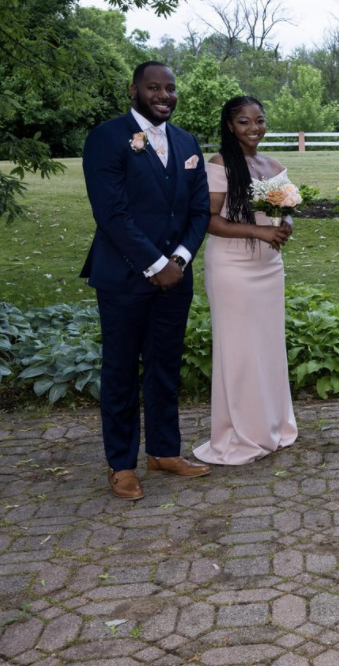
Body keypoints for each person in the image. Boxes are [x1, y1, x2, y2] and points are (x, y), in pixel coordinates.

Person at [81, 61, 212, 500]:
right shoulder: (107, 138)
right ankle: (121, 464)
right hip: (124, 276)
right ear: (134, 90)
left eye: (170, 88)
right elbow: (111, 212)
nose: (164, 95)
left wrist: (180, 258)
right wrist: (156, 264)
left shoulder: (186, 142)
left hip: (176, 276)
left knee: (164, 365)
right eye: (154, 87)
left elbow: (196, 212)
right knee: (120, 371)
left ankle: (163, 451)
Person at [193, 96, 298, 465]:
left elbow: (288, 211)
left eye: (259, 120)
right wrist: (259, 232)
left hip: (269, 268)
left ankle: (271, 426)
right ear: (229, 126)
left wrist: (284, 225)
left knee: (267, 348)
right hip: (233, 268)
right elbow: (209, 220)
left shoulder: (273, 165)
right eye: (244, 122)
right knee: (239, 350)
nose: (254, 128)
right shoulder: (220, 165)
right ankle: (239, 433)